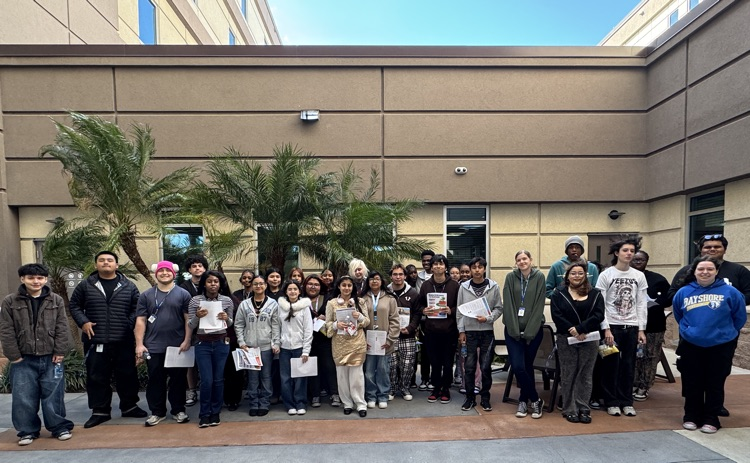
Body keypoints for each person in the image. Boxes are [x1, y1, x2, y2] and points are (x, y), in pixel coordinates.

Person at [668, 234, 749, 418]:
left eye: (716, 247)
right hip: (692, 337)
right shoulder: (686, 277)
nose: (712, 250)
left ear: (724, 249)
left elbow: (740, 313)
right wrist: (690, 327)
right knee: (692, 376)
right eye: (708, 247)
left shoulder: (737, 272)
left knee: (717, 376)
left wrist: (727, 324)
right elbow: (677, 308)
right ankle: (693, 412)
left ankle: (714, 410)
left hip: (723, 337)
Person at [69, 251, 147, 428]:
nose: (106, 263)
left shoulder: (128, 286)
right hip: (95, 339)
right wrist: (84, 322)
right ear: (96, 264)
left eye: (110, 260)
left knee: (127, 375)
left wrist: (128, 323)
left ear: (116, 265)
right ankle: (100, 411)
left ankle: (129, 406)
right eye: (102, 260)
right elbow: (74, 305)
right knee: (97, 376)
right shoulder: (85, 286)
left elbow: (137, 308)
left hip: (123, 339)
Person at [1, 264, 74, 446]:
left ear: (45, 279)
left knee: (54, 395)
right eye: (31, 278)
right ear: (22, 279)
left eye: (40, 278)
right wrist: (13, 355)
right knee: (23, 396)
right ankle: (27, 431)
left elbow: (62, 327)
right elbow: (6, 330)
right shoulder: (10, 301)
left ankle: (59, 427)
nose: (36, 281)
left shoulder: (55, 299)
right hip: (23, 359)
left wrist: (60, 351)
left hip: (51, 357)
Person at [595, 236, 648, 418]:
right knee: (611, 364)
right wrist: (606, 328)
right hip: (612, 327)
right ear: (617, 253)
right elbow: (600, 304)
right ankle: (611, 401)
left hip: (631, 327)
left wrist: (641, 329)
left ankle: (627, 401)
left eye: (632, 251)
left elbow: (641, 303)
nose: (629, 254)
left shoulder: (638, 276)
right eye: (625, 250)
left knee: (628, 365)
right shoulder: (606, 275)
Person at [135, 261, 192, 426]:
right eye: (161, 270)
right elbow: (141, 320)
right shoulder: (146, 295)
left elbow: (188, 319)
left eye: (168, 270)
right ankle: (157, 412)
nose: (165, 273)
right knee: (155, 380)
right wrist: (139, 344)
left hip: (177, 346)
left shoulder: (183, 294)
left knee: (178, 380)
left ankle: (178, 410)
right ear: (156, 273)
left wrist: (187, 340)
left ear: (174, 273)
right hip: (153, 345)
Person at [550, 261, 605, 424]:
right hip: (566, 338)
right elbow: (556, 315)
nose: (577, 276)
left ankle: (583, 408)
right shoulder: (558, 293)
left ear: (586, 275)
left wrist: (581, 329)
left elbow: (598, 315)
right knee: (569, 374)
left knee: (585, 375)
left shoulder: (595, 294)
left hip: (589, 338)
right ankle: (569, 408)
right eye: (573, 273)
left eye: (580, 273)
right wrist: (572, 330)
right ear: (567, 276)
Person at [502, 250, 547, 419]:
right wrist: (514, 330)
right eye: (519, 260)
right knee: (518, 366)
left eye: (525, 259)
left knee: (528, 366)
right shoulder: (510, 277)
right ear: (516, 262)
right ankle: (535, 400)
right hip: (513, 331)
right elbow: (508, 304)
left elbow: (539, 305)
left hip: (533, 331)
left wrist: (528, 332)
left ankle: (523, 400)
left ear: (530, 260)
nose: (522, 262)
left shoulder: (539, 277)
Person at [188, 270, 234, 428]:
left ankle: (215, 412)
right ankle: (204, 413)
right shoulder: (195, 300)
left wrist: (226, 318)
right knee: (206, 380)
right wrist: (197, 317)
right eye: (209, 281)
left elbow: (230, 324)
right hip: (203, 344)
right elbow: (190, 325)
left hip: (221, 343)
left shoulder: (227, 300)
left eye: (216, 281)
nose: (213, 284)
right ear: (204, 284)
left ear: (220, 284)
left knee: (218, 379)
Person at [457, 257, 502, 413]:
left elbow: (498, 308)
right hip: (469, 332)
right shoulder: (464, 287)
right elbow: (459, 310)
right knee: (469, 367)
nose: (477, 270)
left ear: (484, 269)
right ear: (470, 270)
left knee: (485, 367)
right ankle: (470, 398)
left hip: (486, 332)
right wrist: (461, 330)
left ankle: (485, 398)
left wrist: (488, 318)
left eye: (480, 267)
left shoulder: (493, 286)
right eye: (474, 267)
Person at [416, 254, 460, 404]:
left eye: (441, 264)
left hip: (449, 331)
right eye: (435, 264)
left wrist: (451, 311)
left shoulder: (455, 285)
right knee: (434, 362)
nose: (438, 267)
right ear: (431, 267)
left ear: (446, 267)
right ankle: (436, 387)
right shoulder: (426, 285)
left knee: (448, 363)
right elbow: (419, 305)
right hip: (431, 331)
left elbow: (460, 307)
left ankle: (446, 388)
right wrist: (424, 310)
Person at [234, 274, 280, 417]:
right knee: (253, 377)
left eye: (261, 283)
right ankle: (254, 403)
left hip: (266, 347)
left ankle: (264, 403)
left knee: (266, 377)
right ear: (251, 286)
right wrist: (241, 342)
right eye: (255, 284)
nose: (258, 286)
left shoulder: (273, 304)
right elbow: (239, 324)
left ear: (265, 285)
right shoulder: (244, 304)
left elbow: (276, 325)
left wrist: (275, 343)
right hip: (249, 347)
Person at [325, 276, 370, 417]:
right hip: (339, 344)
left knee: (357, 376)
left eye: (349, 285)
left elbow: (367, 321)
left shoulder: (360, 302)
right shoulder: (332, 303)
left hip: (357, 343)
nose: (346, 288)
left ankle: (361, 404)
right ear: (339, 286)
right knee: (342, 376)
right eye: (343, 285)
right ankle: (347, 403)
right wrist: (335, 325)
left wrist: (360, 317)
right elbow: (327, 323)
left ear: (353, 287)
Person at [630, 250, 672, 402]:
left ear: (647, 261)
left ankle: (644, 386)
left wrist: (655, 304)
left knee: (650, 356)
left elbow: (669, 297)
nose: (638, 262)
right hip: (631, 325)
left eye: (641, 259)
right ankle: (632, 383)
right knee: (632, 356)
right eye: (635, 259)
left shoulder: (657, 279)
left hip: (653, 325)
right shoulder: (625, 277)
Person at [362, 271, 400, 409]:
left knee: (383, 370)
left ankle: (383, 395)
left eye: (377, 279)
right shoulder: (362, 298)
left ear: (382, 281)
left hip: (385, 342)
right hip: (368, 342)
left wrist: (390, 339)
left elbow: (395, 320)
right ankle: (371, 396)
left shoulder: (390, 298)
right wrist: (362, 340)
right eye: (371, 279)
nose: (374, 281)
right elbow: (359, 321)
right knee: (369, 371)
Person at [277, 280, 313, 415]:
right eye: (290, 289)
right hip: (284, 348)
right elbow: (277, 327)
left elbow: (308, 330)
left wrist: (305, 351)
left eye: (295, 289)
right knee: (285, 378)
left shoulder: (304, 307)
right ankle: (289, 404)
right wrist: (277, 343)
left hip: (299, 347)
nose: (292, 291)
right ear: (286, 291)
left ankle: (301, 403)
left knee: (300, 378)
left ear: (299, 291)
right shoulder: (281, 307)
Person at [304, 274, 340, 408]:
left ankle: (334, 393)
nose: (313, 287)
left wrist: (327, 318)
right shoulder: (300, 300)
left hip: (325, 338)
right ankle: (315, 395)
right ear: (305, 285)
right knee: (313, 368)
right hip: (308, 340)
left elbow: (336, 317)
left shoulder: (328, 300)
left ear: (321, 286)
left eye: (316, 284)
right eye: (310, 284)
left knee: (329, 367)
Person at [387, 264, 420, 401]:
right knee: (392, 365)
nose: (398, 277)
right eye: (395, 274)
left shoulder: (413, 293)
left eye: (400, 274)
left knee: (407, 365)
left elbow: (418, 313)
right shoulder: (386, 292)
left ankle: (405, 388)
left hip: (408, 335)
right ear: (391, 276)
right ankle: (392, 389)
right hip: (391, 336)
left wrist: (411, 327)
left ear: (405, 276)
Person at [180, 254, 209, 407]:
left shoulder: (210, 283)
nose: (197, 268)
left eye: (200, 266)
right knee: (190, 363)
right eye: (194, 266)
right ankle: (191, 390)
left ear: (205, 268)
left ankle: (208, 391)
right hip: (190, 329)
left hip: (210, 330)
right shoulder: (183, 287)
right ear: (189, 270)